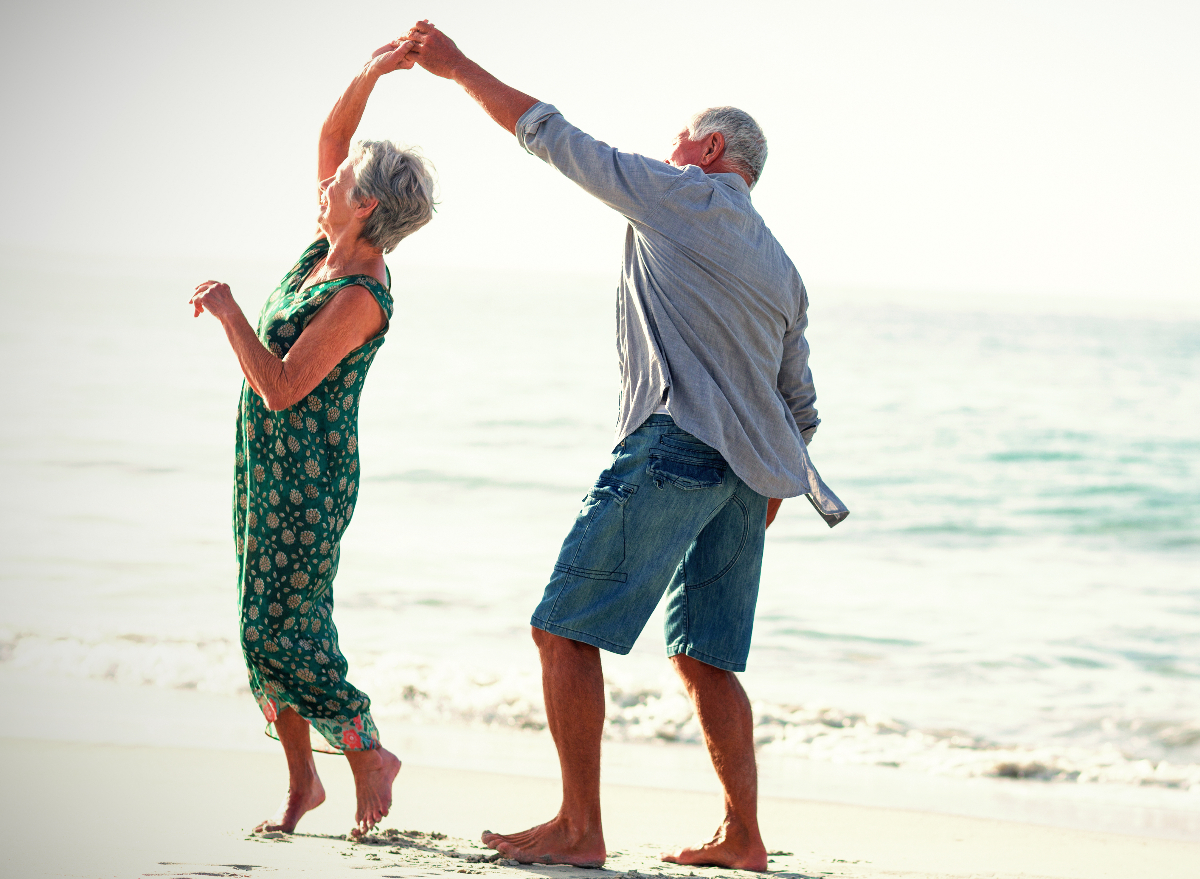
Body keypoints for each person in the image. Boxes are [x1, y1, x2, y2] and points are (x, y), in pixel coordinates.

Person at [405, 20, 848, 872]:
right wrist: (760, 494)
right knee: (704, 655)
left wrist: (455, 66)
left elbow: (553, 137)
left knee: (561, 630)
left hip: (674, 446)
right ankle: (744, 836)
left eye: (680, 137)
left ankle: (579, 826)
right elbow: (802, 405)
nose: (668, 148)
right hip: (746, 480)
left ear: (710, 147)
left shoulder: (682, 193)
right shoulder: (784, 267)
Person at [189, 37, 435, 838]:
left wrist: (229, 313)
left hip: (308, 474)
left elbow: (285, 386)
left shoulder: (362, 290)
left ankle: (366, 749)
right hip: (264, 463)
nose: (325, 180)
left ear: (365, 205)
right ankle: (303, 784)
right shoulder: (323, 252)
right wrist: (370, 73)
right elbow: (333, 143)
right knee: (260, 619)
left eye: (341, 182)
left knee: (279, 626)